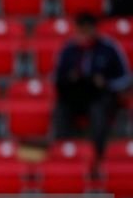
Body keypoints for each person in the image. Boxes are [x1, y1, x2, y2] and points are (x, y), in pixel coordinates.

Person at [53, 12, 132, 157]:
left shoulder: (109, 48)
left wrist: (106, 83)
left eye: (86, 30)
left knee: (98, 111)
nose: (83, 35)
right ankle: (62, 155)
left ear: (94, 29)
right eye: (80, 31)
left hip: (100, 96)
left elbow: (125, 79)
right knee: (60, 110)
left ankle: (98, 156)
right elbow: (57, 78)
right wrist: (70, 79)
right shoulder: (68, 49)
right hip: (74, 96)